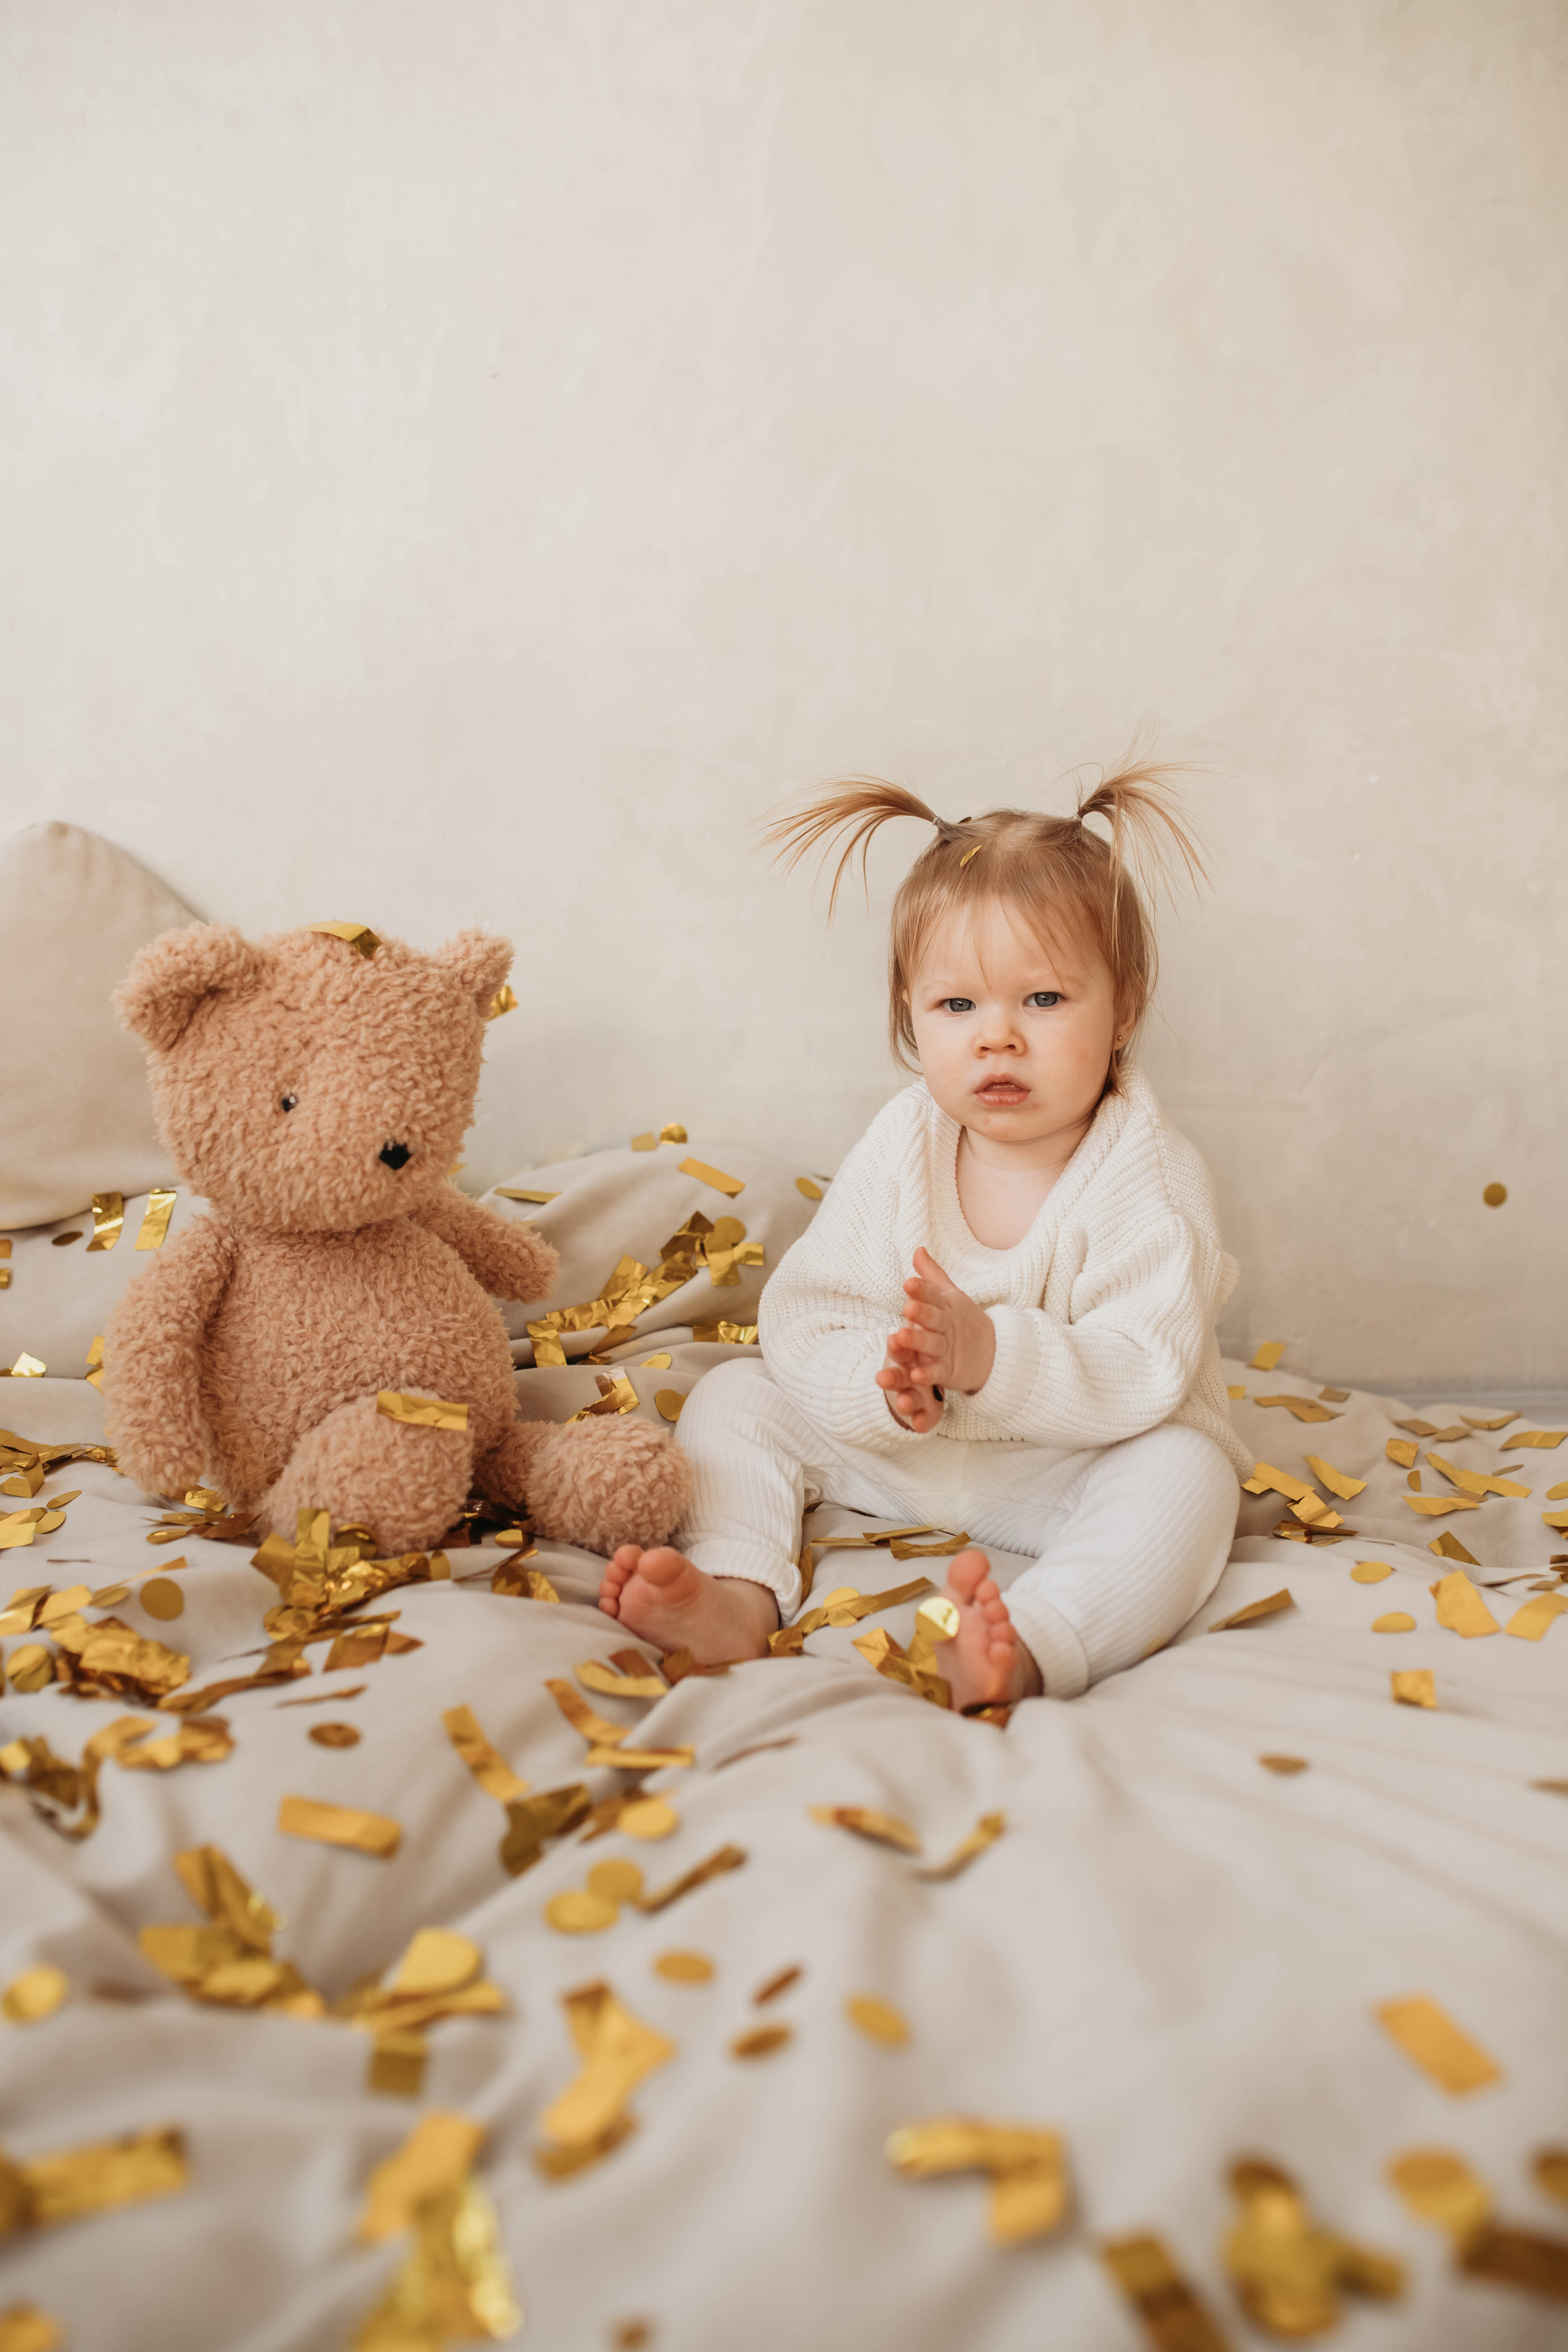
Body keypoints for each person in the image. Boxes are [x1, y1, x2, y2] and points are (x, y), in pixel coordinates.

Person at [599, 763, 1249, 1708]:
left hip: (1061, 1467)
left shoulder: (1147, 1172)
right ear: (911, 1012)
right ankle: (736, 1590)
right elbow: (811, 1314)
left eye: (1044, 1000)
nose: (998, 1037)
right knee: (737, 1396)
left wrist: (991, 1357)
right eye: (958, 1006)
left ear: (1126, 1010)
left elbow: (1147, 1366)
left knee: (1189, 1476)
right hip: (903, 1450)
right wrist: (884, 1381)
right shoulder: (904, 1142)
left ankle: (1030, 1644)